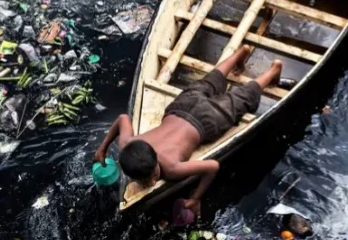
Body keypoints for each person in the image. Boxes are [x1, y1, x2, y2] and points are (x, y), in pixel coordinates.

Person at [93, 45, 283, 216]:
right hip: (182, 106)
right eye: (146, 181)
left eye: (153, 176)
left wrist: (196, 197)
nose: (152, 183)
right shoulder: (128, 143)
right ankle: (241, 53)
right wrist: (102, 149)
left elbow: (212, 167)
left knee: (241, 98)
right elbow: (123, 119)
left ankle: (273, 70)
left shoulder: (172, 168)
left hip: (207, 121)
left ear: (156, 162)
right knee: (210, 81)